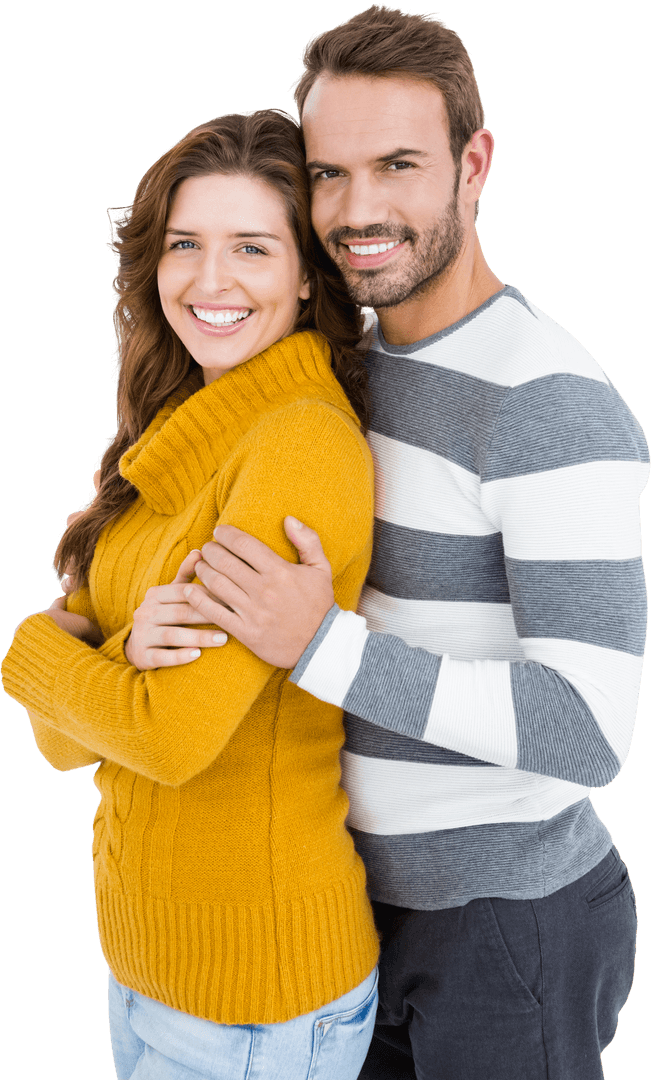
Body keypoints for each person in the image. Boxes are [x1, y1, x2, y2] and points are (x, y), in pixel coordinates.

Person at [133, 8, 647, 1079]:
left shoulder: (545, 403)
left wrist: (322, 647)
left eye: (397, 166)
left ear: (473, 164)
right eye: (329, 173)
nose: (357, 210)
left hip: (503, 924)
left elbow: (589, 729)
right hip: (349, 914)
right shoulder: (345, 357)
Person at [2, 108, 382, 1080]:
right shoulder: (173, 434)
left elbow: (168, 739)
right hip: (149, 971)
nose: (210, 281)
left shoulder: (298, 446)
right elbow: (60, 746)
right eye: (185, 244)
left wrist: (37, 651)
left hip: (256, 1001)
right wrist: (122, 660)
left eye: (251, 247)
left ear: (309, 275)